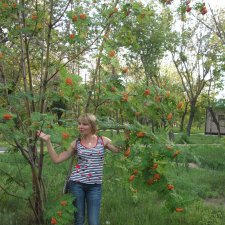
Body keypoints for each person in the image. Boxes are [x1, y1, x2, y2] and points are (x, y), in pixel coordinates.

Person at [37, 113, 122, 225]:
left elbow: (119, 150)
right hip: (77, 185)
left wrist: (129, 134)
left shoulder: (103, 140)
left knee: (94, 222)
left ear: (92, 126)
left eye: (85, 124)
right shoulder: (76, 143)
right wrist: (47, 141)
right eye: (79, 124)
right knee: (79, 220)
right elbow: (56, 159)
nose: (80, 126)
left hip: (95, 186)